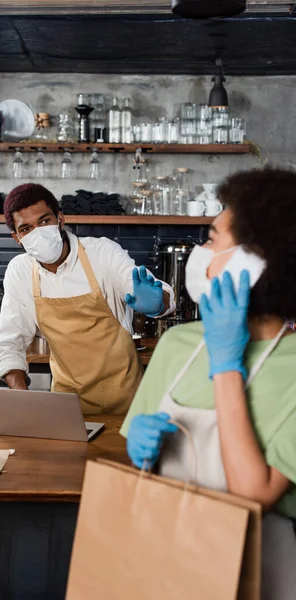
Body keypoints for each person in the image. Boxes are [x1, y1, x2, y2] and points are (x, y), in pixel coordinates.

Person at [121, 167, 296, 599]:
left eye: (213, 239)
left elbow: (253, 494)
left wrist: (225, 361)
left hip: (257, 573)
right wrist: (137, 452)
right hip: (162, 561)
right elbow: (143, 473)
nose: (200, 251)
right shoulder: (177, 344)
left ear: (252, 264)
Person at [0, 183, 175, 414]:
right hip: (67, 408)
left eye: (44, 221)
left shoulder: (103, 253)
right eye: (26, 229)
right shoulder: (19, 272)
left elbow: (154, 291)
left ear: (60, 219)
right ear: (17, 238)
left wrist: (158, 301)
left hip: (127, 405)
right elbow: (10, 342)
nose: (38, 233)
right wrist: (20, 395)